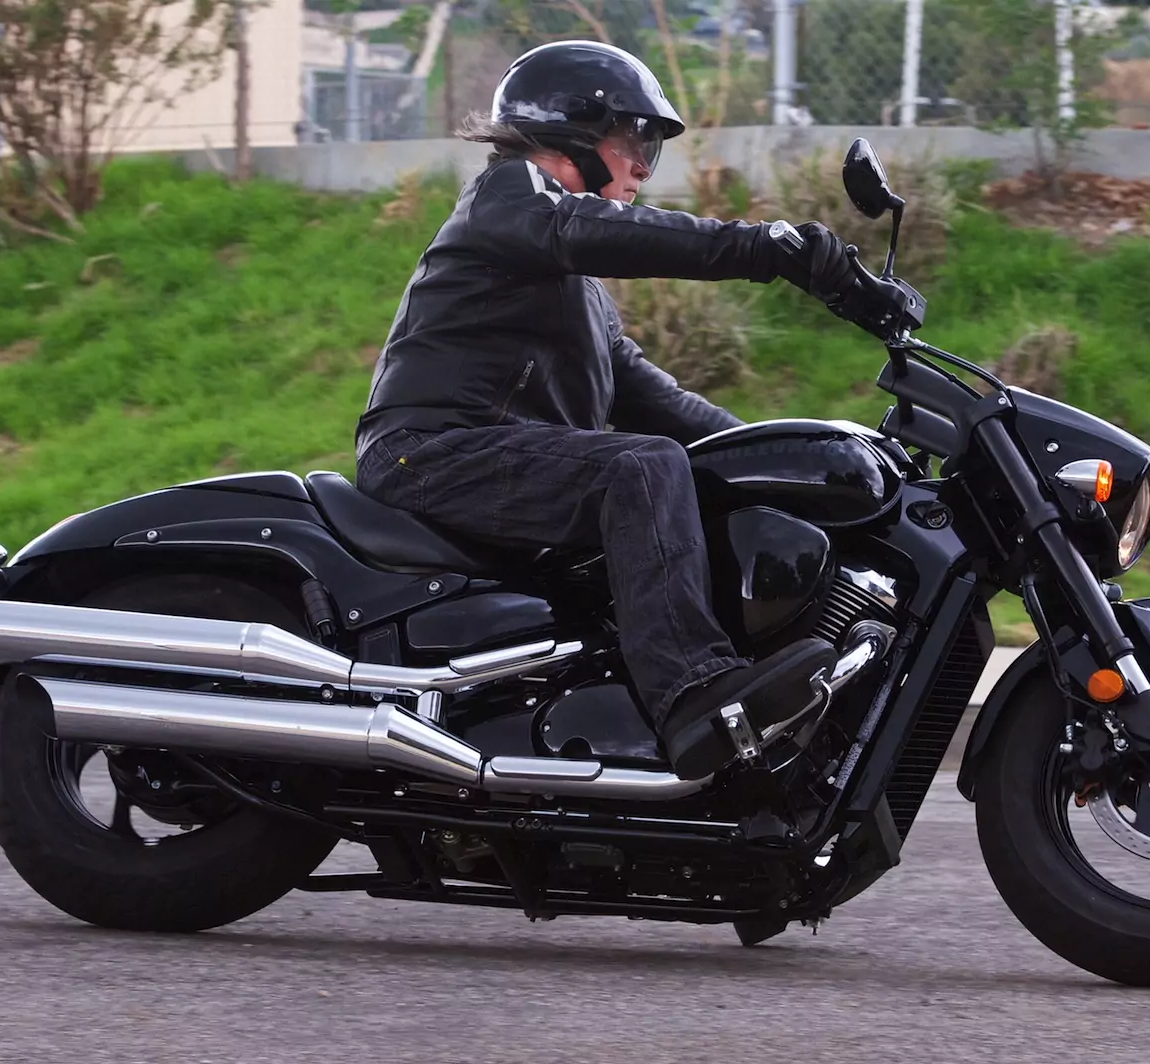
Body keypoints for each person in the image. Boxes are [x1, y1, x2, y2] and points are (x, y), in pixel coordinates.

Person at [354, 40, 856, 781]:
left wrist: (784, 456)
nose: (645, 169)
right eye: (635, 142)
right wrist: (766, 248)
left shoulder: (571, 280)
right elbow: (585, 230)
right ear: (572, 133)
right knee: (640, 467)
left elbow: (655, 399)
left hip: (490, 453)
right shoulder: (509, 197)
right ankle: (692, 695)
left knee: (676, 464)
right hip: (428, 451)